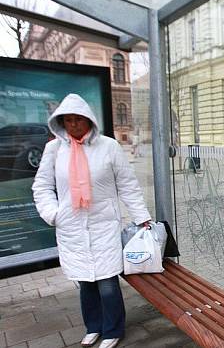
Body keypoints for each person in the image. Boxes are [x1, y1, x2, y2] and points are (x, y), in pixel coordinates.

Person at [32, 94, 151, 348]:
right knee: (85, 282)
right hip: (71, 227)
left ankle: (112, 330)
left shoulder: (109, 146)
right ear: (60, 122)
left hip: (103, 224)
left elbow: (127, 185)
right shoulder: (54, 149)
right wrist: (53, 213)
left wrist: (142, 218)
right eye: (67, 120)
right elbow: (41, 185)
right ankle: (93, 327)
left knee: (107, 283)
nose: (73, 125)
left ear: (89, 120)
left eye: (78, 120)